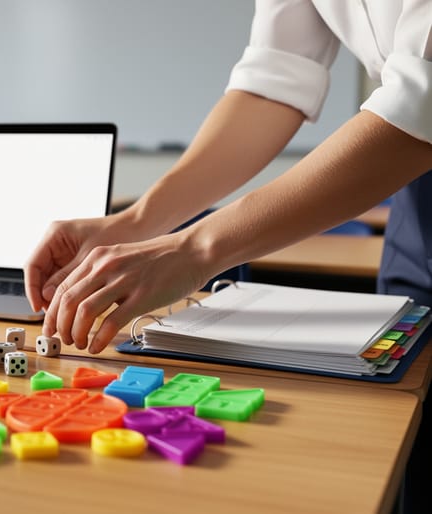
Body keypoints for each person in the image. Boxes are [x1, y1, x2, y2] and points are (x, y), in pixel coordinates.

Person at [25, 3, 431, 512]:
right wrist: (135, 223)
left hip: (406, 155)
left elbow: (422, 102)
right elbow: (274, 82)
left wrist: (193, 248)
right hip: (416, 194)